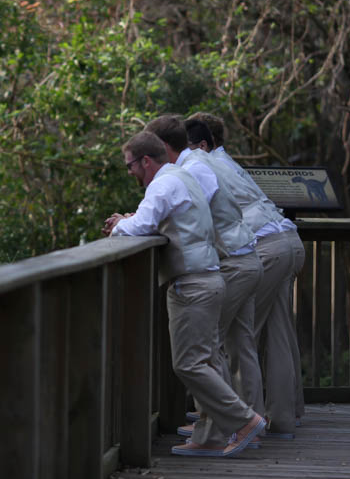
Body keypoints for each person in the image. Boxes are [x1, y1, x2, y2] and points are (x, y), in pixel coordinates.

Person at [103, 131, 265, 457]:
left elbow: (141, 226)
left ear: (145, 161)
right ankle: (211, 436)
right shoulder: (183, 177)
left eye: (130, 165)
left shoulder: (162, 185)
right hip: (209, 278)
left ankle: (244, 420)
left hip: (192, 284)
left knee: (189, 364)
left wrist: (119, 225)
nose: (130, 171)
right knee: (205, 359)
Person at [143, 115, 265, 435]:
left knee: (205, 352)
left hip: (229, 262)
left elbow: (193, 213)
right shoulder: (195, 164)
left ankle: (228, 426)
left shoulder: (192, 168)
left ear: (165, 148)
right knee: (230, 346)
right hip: (241, 256)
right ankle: (234, 424)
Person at [187, 113, 306, 436]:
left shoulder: (201, 165)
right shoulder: (228, 162)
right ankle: (283, 417)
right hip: (288, 239)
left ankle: (237, 421)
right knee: (277, 334)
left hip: (263, 246)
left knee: (237, 339)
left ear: (200, 143)